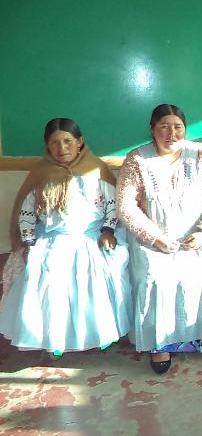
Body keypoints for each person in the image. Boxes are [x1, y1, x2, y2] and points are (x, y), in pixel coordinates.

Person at [116, 104, 202, 374]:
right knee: (156, 280)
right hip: (153, 240)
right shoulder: (137, 159)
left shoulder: (201, 154)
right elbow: (126, 206)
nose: (171, 134)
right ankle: (161, 344)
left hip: (198, 238)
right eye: (164, 127)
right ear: (152, 129)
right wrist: (155, 238)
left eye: (177, 127)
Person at [0, 118, 131, 358]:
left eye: (68, 141)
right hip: (54, 240)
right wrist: (29, 242)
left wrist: (108, 230)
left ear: (80, 142)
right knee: (52, 287)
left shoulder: (97, 170)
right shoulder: (41, 174)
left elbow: (113, 206)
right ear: (47, 146)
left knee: (95, 286)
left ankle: (101, 334)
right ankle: (56, 339)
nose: (62, 148)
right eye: (55, 143)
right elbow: (26, 213)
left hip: (91, 238)